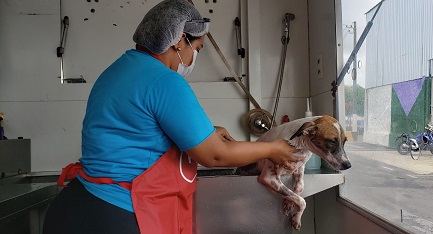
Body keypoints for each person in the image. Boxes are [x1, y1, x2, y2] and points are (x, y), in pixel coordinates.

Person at [42, 0, 298, 234]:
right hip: (117, 215)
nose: (193, 58)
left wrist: (207, 130)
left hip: (76, 206)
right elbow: (214, 155)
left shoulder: (117, 70)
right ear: (180, 40)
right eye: (197, 48)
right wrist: (273, 148)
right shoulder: (165, 80)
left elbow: (138, 127)